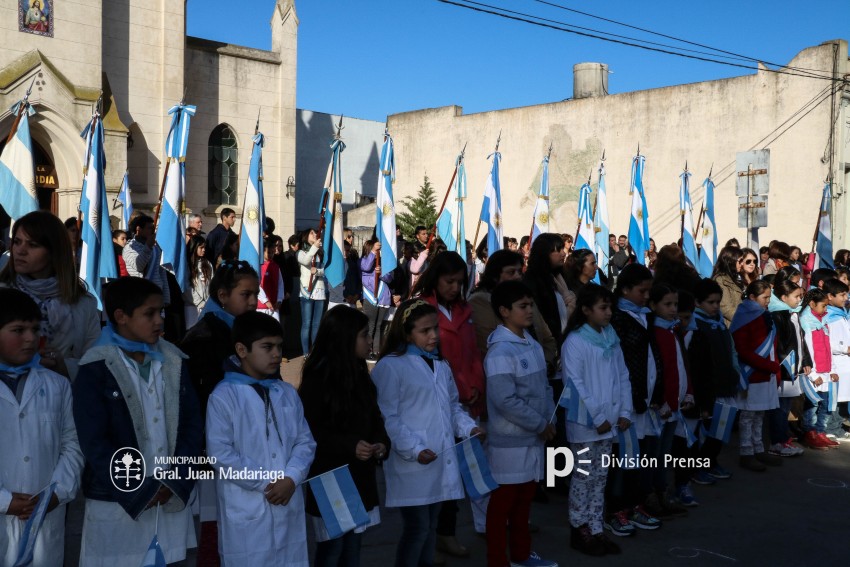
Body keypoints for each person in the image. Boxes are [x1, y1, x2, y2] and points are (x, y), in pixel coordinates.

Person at [73, 277, 202, 565]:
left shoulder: (174, 360)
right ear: (121, 316)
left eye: (161, 312)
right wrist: (138, 489)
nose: (159, 321)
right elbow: (95, 442)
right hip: (117, 503)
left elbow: (192, 427)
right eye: (149, 313)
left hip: (169, 496)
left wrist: (176, 479)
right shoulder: (95, 367)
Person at [371, 299, 482, 567]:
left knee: (430, 524)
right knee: (418, 527)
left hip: (439, 458)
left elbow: (452, 406)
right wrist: (415, 449)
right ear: (407, 332)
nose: (433, 336)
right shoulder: (391, 366)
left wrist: (469, 427)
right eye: (425, 331)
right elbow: (388, 417)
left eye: (435, 329)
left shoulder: (440, 365)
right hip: (413, 461)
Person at [206, 311, 316, 565]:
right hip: (249, 507)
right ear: (242, 350)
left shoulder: (286, 392)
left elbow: (305, 441)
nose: (276, 354)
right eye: (267, 347)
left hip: (288, 498)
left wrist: (292, 477)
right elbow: (220, 454)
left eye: (279, 346)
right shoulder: (224, 396)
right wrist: (267, 482)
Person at [180, 261, 259, 563]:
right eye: (246, 294)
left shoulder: (241, 329)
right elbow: (201, 397)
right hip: (215, 448)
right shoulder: (204, 336)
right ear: (223, 295)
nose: (253, 302)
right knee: (216, 525)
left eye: (255, 293)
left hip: (246, 446)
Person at [299, 306, 390, 566]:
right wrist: (350, 445)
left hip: (359, 477)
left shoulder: (360, 374)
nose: (369, 340)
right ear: (345, 338)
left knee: (353, 550)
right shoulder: (319, 378)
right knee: (332, 550)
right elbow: (309, 431)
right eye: (364, 335)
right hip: (331, 480)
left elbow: (375, 418)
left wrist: (381, 443)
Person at [0, 288, 83, 567]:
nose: (30, 338)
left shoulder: (56, 384)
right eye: (18, 329)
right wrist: (4, 501)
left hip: (46, 512)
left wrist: (56, 493)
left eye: (35, 329)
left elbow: (72, 444)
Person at [412, 251, 485, 554]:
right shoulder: (419, 311)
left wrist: (477, 386)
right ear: (435, 278)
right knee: (435, 474)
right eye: (449, 281)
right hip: (435, 400)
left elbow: (473, 354)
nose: (454, 287)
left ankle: (447, 533)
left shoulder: (465, 310)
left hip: (467, 401)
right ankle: (429, 539)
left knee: (458, 471)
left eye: (459, 281)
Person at [483, 281, 557, 567]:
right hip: (509, 444)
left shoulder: (532, 344)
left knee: (523, 504)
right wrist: (540, 423)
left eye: (531, 305)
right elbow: (505, 401)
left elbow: (545, 388)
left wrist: (548, 419)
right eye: (522, 306)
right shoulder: (500, 352)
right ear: (504, 311)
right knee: (502, 507)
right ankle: (497, 561)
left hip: (532, 439)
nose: (529, 311)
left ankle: (522, 556)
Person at [562, 284, 633, 556]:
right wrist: (598, 416)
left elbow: (622, 376)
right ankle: (579, 529)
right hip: (584, 425)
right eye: (603, 307)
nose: (609, 312)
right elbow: (575, 385)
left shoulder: (610, 337)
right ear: (585, 310)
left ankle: (596, 528)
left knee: (600, 479)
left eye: (610, 307)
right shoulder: (576, 341)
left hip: (609, 425)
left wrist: (624, 412)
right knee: (582, 478)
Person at [0, 211, 101, 380]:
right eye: (17, 242)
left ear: (54, 252)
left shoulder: (84, 303)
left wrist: (63, 366)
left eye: (32, 245)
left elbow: (97, 361)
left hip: (64, 398)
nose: (20, 251)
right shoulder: (3, 293)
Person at [609, 263, 664, 527]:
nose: (646, 296)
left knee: (637, 457)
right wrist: (631, 398)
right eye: (641, 291)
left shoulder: (645, 315)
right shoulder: (616, 318)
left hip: (645, 400)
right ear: (626, 289)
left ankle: (634, 505)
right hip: (627, 403)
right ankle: (616, 509)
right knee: (622, 460)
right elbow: (620, 366)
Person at [469, 250, 556, 372]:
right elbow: (487, 346)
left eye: (520, 272)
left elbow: (547, 339)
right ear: (494, 276)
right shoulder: (480, 301)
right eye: (511, 272)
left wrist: (545, 363)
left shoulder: (526, 298)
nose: (517, 276)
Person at [688, 279, 740, 481]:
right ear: (697, 302)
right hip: (709, 389)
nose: (716, 306)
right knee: (704, 432)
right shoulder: (695, 325)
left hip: (726, 385)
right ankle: (696, 467)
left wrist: (736, 374)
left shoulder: (719, 323)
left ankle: (711, 461)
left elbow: (732, 350)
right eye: (711, 302)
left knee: (721, 430)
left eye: (718, 302)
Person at [648, 284, 694, 511]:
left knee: (664, 455)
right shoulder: (655, 333)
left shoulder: (673, 331)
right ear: (653, 305)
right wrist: (662, 401)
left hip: (675, 405)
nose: (673, 309)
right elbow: (657, 372)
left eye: (675, 304)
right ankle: (653, 496)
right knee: (654, 455)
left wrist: (689, 393)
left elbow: (683, 365)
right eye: (667, 304)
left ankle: (663, 494)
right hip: (662, 407)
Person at [730, 280, 783, 470]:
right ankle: (746, 452)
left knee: (760, 414)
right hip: (751, 374)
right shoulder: (744, 316)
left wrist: (773, 368)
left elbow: (772, 346)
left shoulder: (764, 315)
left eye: (769, 297)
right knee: (748, 414)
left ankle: (759, 448)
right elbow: (742, 349)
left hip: (766, 372)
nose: (767, 301)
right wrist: (768, 365)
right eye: (764, 297)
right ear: (752, 297)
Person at [766, 279, 808, 456]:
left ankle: (783, 440)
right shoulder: (777, 315)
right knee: (780, 409)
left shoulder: (794, 314)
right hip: (784, 370)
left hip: (793, 370)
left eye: (800, 296)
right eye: (796, 296)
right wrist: (785, 366)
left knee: (785, 407)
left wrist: (806, 361)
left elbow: (801, 341)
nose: (799, 300)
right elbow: (780, 346)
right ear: (783, 297)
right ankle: (777, 442)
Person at [799, 288, 841, 450]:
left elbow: (828, 347)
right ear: (812, 304)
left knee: (825, 403)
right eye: (823, 306)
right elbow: (807, 351)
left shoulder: (823, 321)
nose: (826, 309)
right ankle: (810, 433)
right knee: (813, 405)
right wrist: (814, 374)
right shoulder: (806, 322)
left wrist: (832, 370)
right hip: (815, 373)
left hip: (826, 371)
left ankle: (821, 432)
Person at [523, 233, 574, 351]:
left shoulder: (559, 277)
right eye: (558, 250)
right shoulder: (533, 281)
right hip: (548, 347)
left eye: (563, 248)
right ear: (544, 253)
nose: (564, 253)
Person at [822, 278, 850, 441]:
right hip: (836, 363)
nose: (845, 298)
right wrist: (845, 348)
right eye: (842, 295)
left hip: (844, 363)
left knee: (842, 397)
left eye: (846, 294)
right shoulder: (829, 316)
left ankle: (837, 426)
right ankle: (830, 428)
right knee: (835, 397)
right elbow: (829, 342)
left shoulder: (841, 314)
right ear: (830, 296)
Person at [123, 213, 171, 305]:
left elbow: (162, 273)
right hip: (140, 293)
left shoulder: (156, 248)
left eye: (153, 228)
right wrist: (148, 246)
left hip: (156, 292)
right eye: (149, 228)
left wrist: (166, 298)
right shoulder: (130, 248)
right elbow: (139, 266)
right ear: (138, 229)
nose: (152, 231)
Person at [361, 240, 394, 359]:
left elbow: (390, 278)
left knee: (379, 326)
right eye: (375, 250)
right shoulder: (364, 260)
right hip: (370, 297)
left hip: (383, 297)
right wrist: (374, 254)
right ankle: (367, 350)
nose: (378, 252)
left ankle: (376, 351)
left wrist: (381, 274)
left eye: (378, 250)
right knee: (370, 325)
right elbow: (365, 267)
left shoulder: (383, 263)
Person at [297, 229, 326, 356]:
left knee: (316, 324)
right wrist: (314, 247)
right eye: (312, 233)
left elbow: (325, 270)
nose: (315, 235)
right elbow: (306, 261)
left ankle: (314, 351)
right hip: (306, 291)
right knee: (307, 324)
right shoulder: (300, 252)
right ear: (305, 236)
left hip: (319, 290)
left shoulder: (320, 253)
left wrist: (318, 272)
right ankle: (305, 353)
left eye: (315, 233)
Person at [711, 246, 744, 326]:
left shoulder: (734, 278)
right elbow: (726, 308)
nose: (742, 264)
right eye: (740, 261)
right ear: (731, 261)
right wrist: (745, 319)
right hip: (729, 326)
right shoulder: (720, 280)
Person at [186, 234, 213, 328]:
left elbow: (212, 285)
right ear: (194, 247)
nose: (204, 250)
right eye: (201, 247)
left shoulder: (208, 264)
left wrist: (208, 303)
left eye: (204, 247)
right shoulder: (187, 265)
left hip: (206, 306)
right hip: (191, 308)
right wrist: (200, 302)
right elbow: (186, 287)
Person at [259, 239, 284, 322]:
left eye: (272, 253)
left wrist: (279, 300)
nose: (271, 255)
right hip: (261, 307)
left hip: (274, 306)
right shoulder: (259, 266)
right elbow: (257, 285)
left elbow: (280, 284)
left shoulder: (276, 266)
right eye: (268, 252)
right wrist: (265, 301)